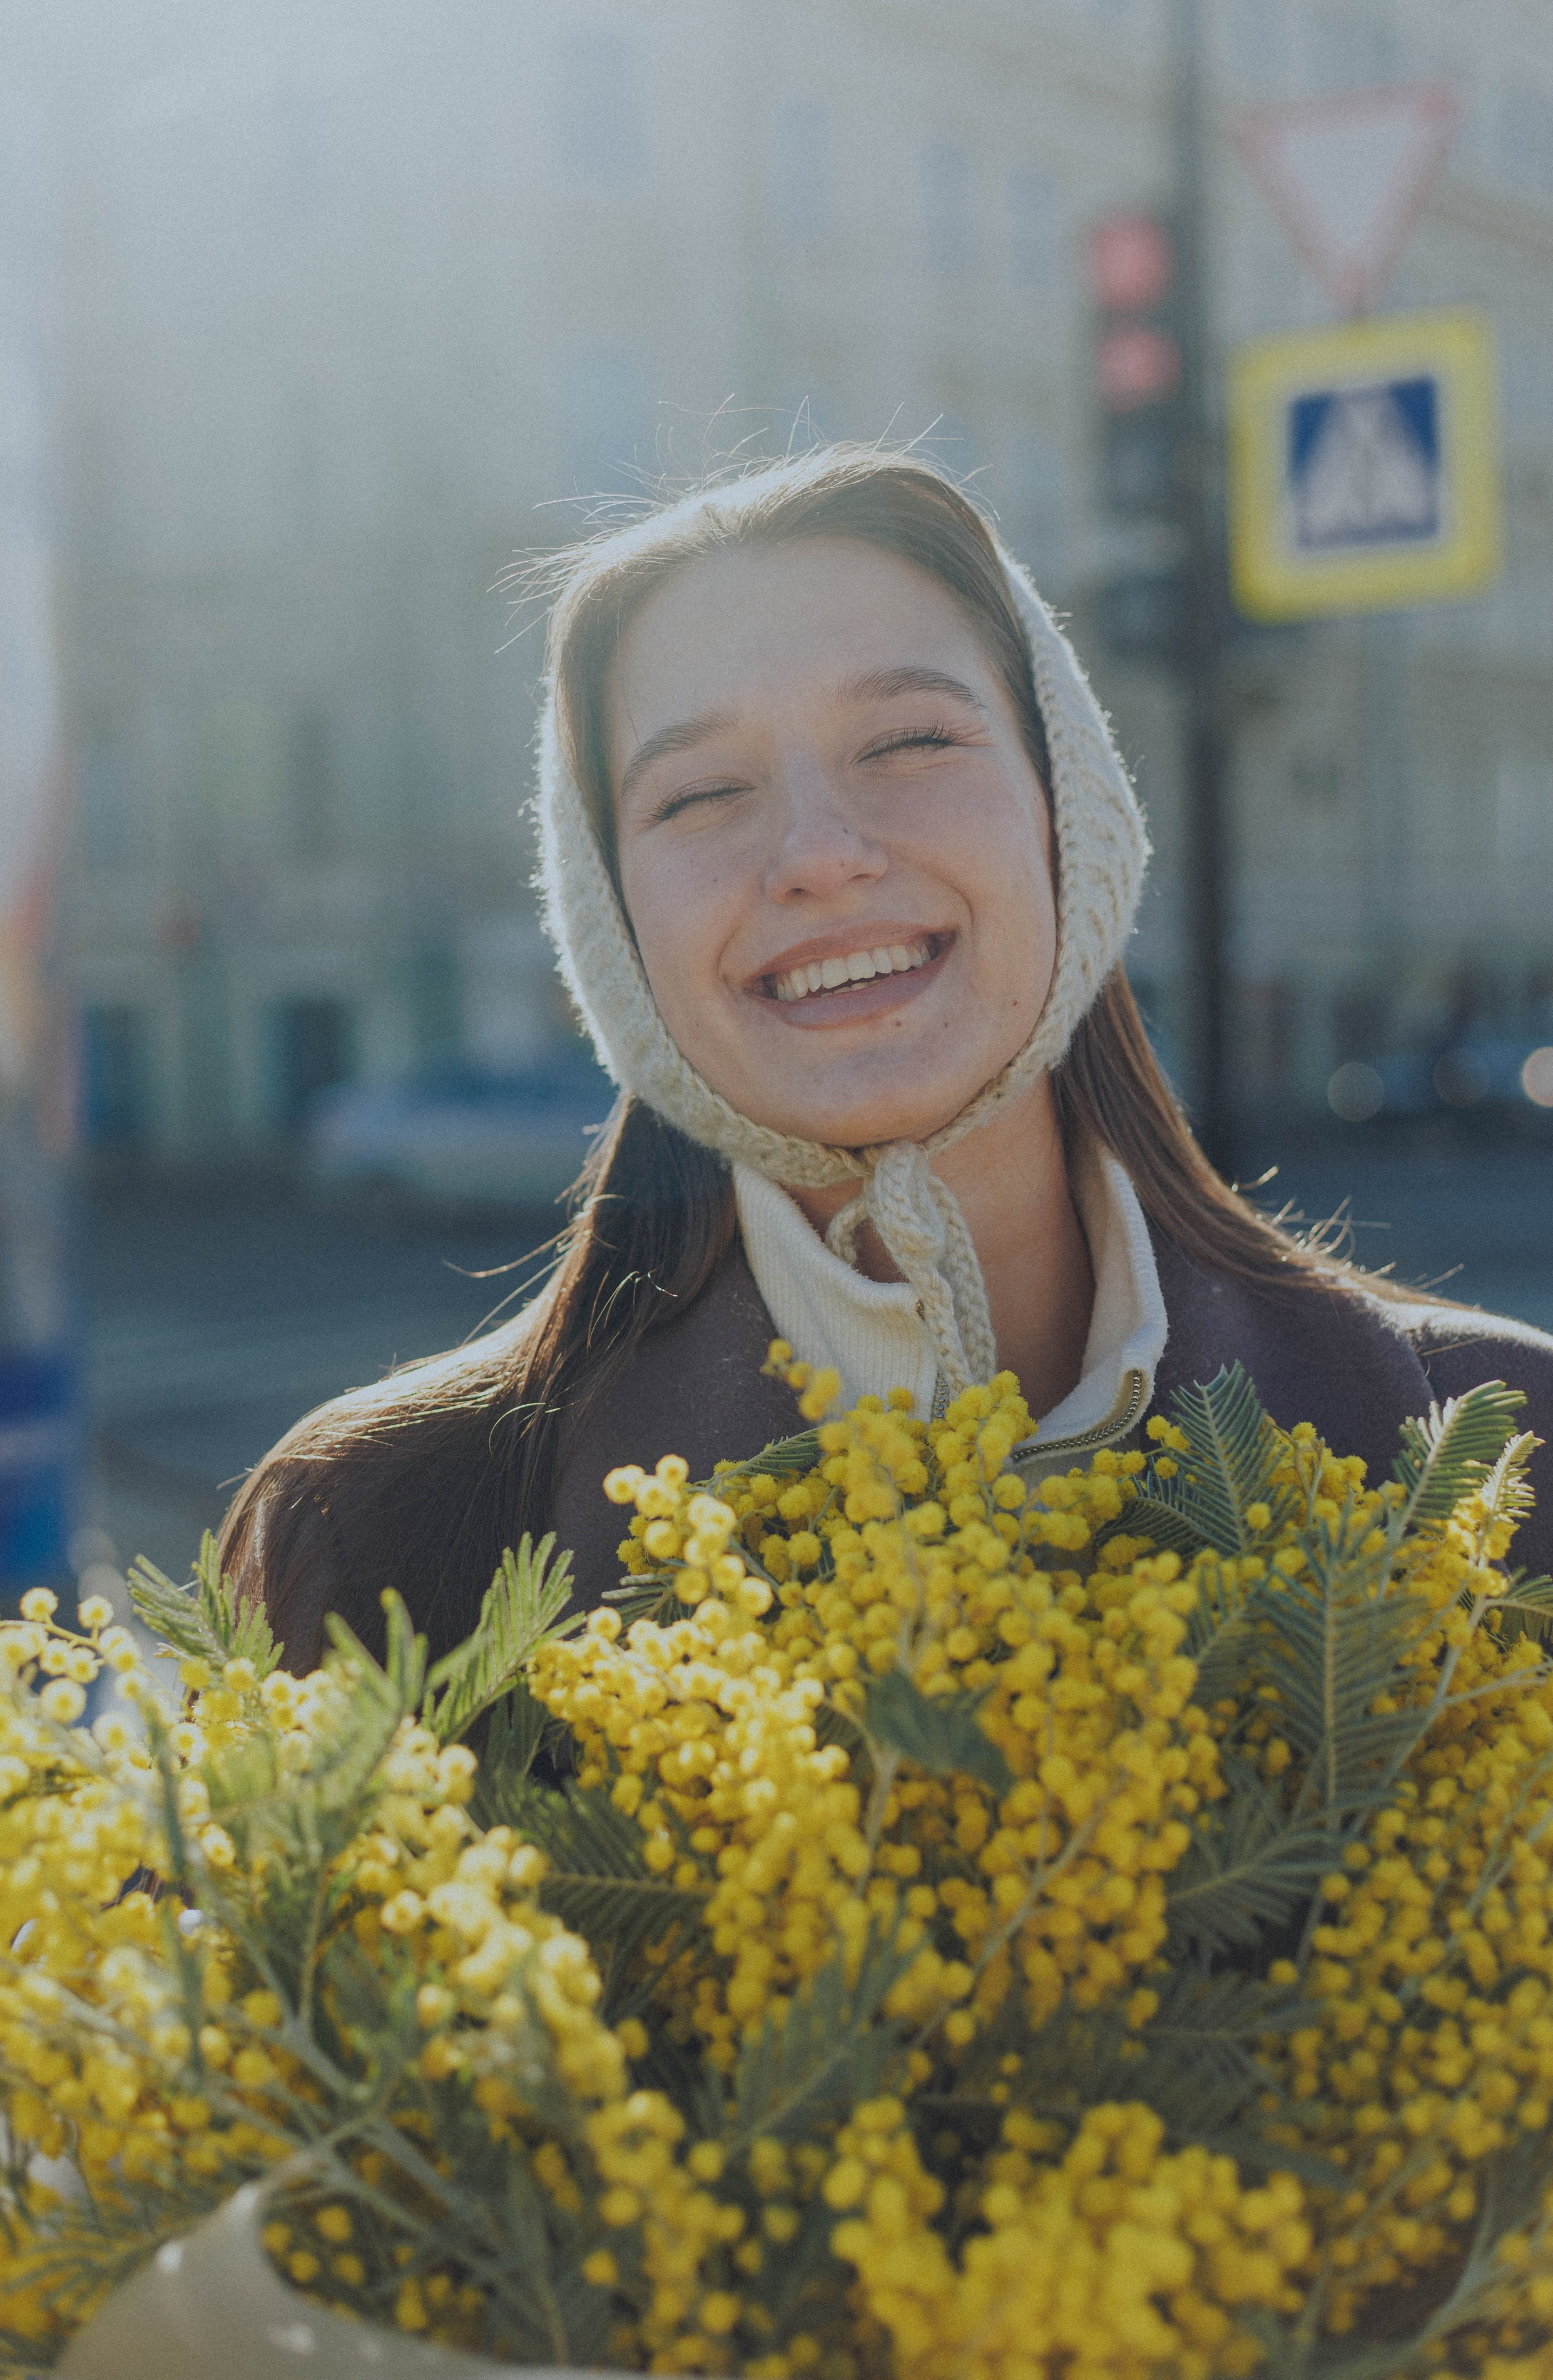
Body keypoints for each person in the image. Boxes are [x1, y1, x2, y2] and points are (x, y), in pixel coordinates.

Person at [220, 446, 1553, 1670]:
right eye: (698, 795)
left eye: (910, 741)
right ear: (614, 921)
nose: (815, 855)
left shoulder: (1497, 1449)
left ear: (1065, 812)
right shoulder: (383, 1532)